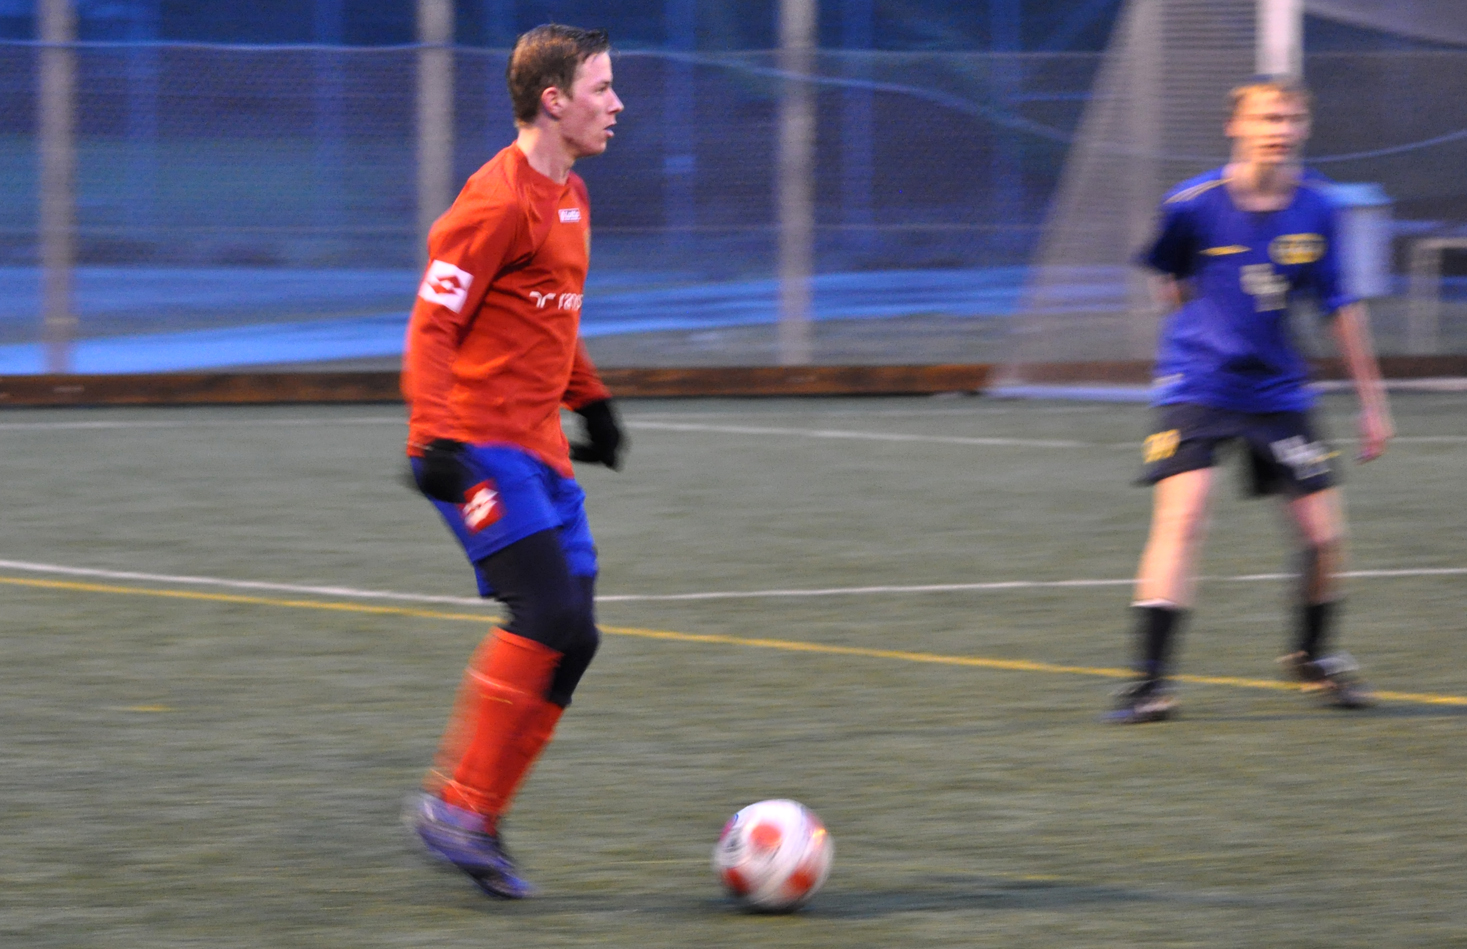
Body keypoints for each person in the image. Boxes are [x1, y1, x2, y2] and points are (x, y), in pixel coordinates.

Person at [399, 24, 626, 896]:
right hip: (476, 443)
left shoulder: (571, 194)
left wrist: (591, 400)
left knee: (577, 638)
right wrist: (430, 441)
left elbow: (547, 315)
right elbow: (434, 322)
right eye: (601, 89)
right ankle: (452, 810)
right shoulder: (495, 202)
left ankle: (475, 816)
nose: (615, 104)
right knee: (546, 612)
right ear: (553, 101)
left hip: (540, 453)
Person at [1108, 76, 1394, 724]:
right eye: (1267, 118)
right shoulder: (1191, 205)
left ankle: (1312, 657)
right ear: (1234, 125)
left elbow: (1341, 308)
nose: (1279, 130)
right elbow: (1168, 281)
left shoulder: (1318, 207)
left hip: (1277, 393)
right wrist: (1207, 327)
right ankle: (1148, 684)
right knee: (1182, 519)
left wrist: (1372, 403)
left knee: (1324, 538)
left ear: (1304, 128)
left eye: (1290, 119)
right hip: (1198, 386)